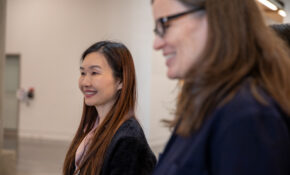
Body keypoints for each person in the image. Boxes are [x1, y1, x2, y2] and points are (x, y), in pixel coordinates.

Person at [151, 0, 290, 174]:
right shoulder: (204, 104)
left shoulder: (247, 117)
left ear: (214, 19)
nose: (156, 44)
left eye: (165, 24)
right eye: (157, 30)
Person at [63, 41, 156, 175]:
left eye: (94, 73)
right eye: (83, 73)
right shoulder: (92, 128)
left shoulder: (128, 140)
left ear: (120, 81)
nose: (85, 82)